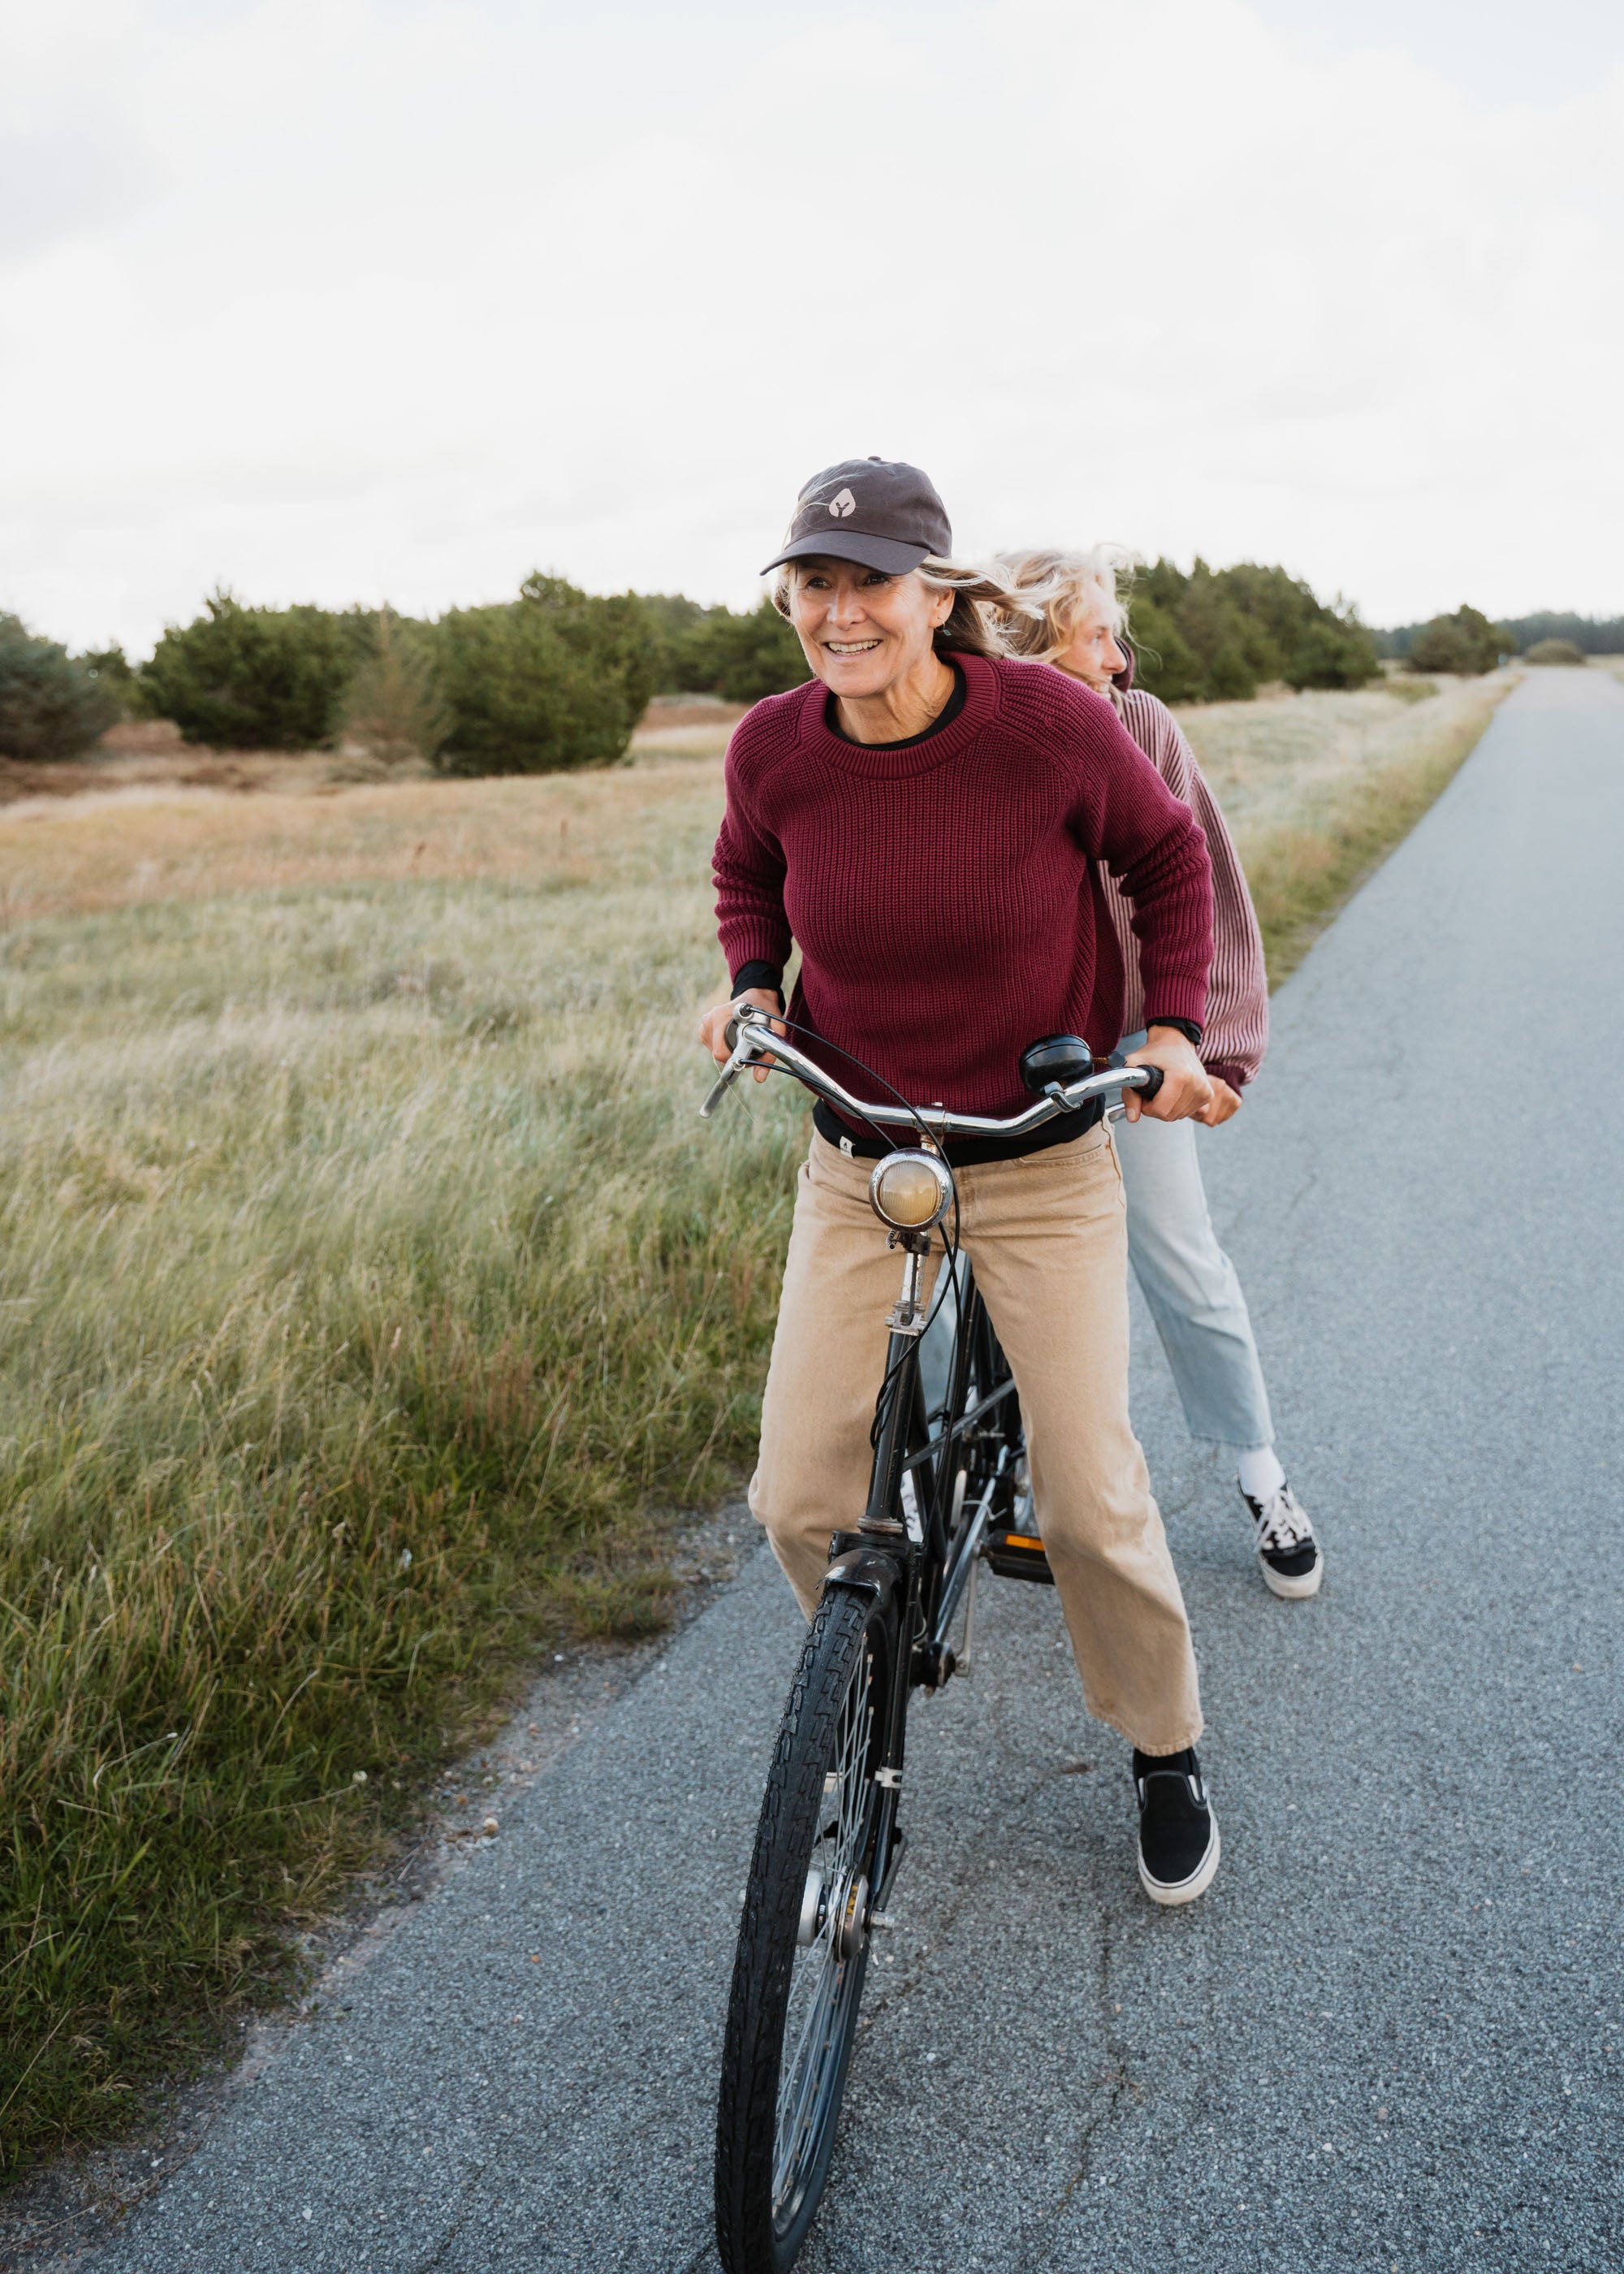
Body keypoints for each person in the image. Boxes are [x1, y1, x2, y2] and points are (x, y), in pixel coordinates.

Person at [700, 458, 1222, 1904]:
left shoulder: (1049, 725)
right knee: (797, 1497)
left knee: (1085, 1489)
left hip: (1038, 1158)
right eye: (816, 581)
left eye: (872, 581)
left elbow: (1166, 862)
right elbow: (748, 873)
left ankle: (1164, 1745)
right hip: (862, 1155)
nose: (842, 610)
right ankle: (860, 1696)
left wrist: (1170, 1027)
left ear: (939, 595)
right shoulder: (773, 747)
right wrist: (752, 989)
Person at [996, 545, 1322, 1599]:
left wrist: (1200, 1045)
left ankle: (1262, 1475)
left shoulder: (1142, 729)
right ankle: (1000, 1485)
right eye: (1099, 634)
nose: (1120, 658)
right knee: (980, 1273)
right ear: (1038, 643)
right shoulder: (975, 738)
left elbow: (1203, 884)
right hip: (1001, 1057)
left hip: (1134, 1054)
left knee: (1182, 1264)